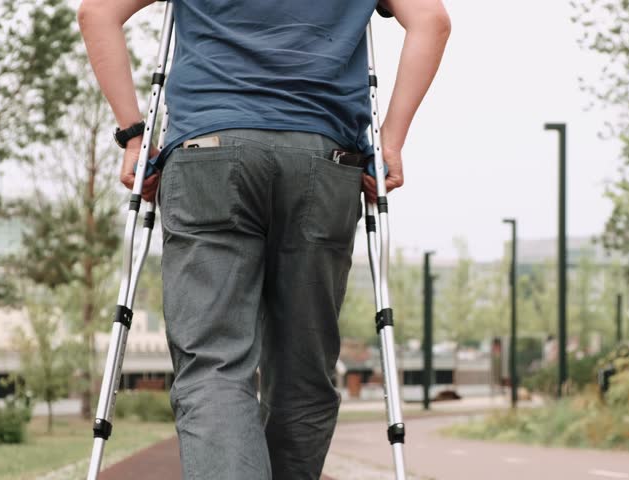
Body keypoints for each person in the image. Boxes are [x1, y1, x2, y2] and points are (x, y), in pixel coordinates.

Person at [78, 0, 449, 478]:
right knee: (303, 373)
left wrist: (134, 134)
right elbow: (432, 21)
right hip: (325, 158)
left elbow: (97, 13)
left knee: (213, 366)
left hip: (209, 152)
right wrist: (391, 141)